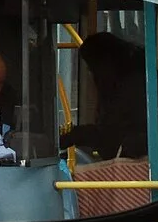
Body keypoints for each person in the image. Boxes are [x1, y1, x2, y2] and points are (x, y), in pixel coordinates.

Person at [63, 31, 149, 162]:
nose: (92, 75)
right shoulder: (136, 76)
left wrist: (75, 136)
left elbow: (110, 135)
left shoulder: (130, 87)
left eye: (93, 68)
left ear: (105, 63)